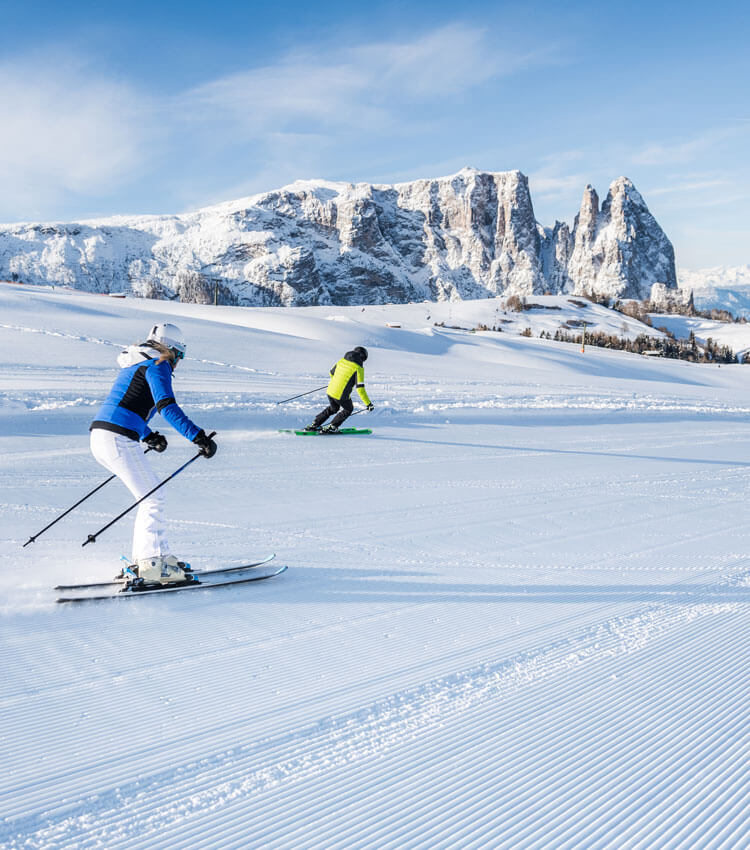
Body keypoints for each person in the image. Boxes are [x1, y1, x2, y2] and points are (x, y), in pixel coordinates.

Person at [89, 322, 217, 585]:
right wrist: (198, 436)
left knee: (150, 495)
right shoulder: (158, 365)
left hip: (102, 436)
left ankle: (153, 559)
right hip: (117, 438)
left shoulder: (138, 363)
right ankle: (151, 564)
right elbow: (166, 406)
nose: (178, 362)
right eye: (179, 356)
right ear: (171, 350)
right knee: (153, 497)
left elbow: (127, 404)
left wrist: (148, 435)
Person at [306, 346, 374, 433]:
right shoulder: (358, 368)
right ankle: (333, 426)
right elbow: (360, 389)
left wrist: (337, 382)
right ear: (363, 357)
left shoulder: (342, 361)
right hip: (340, 394)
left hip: (330, 390)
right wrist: (368, 404)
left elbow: (331, 373)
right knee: (348, 409)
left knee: (333, 408)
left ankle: (315, 424)